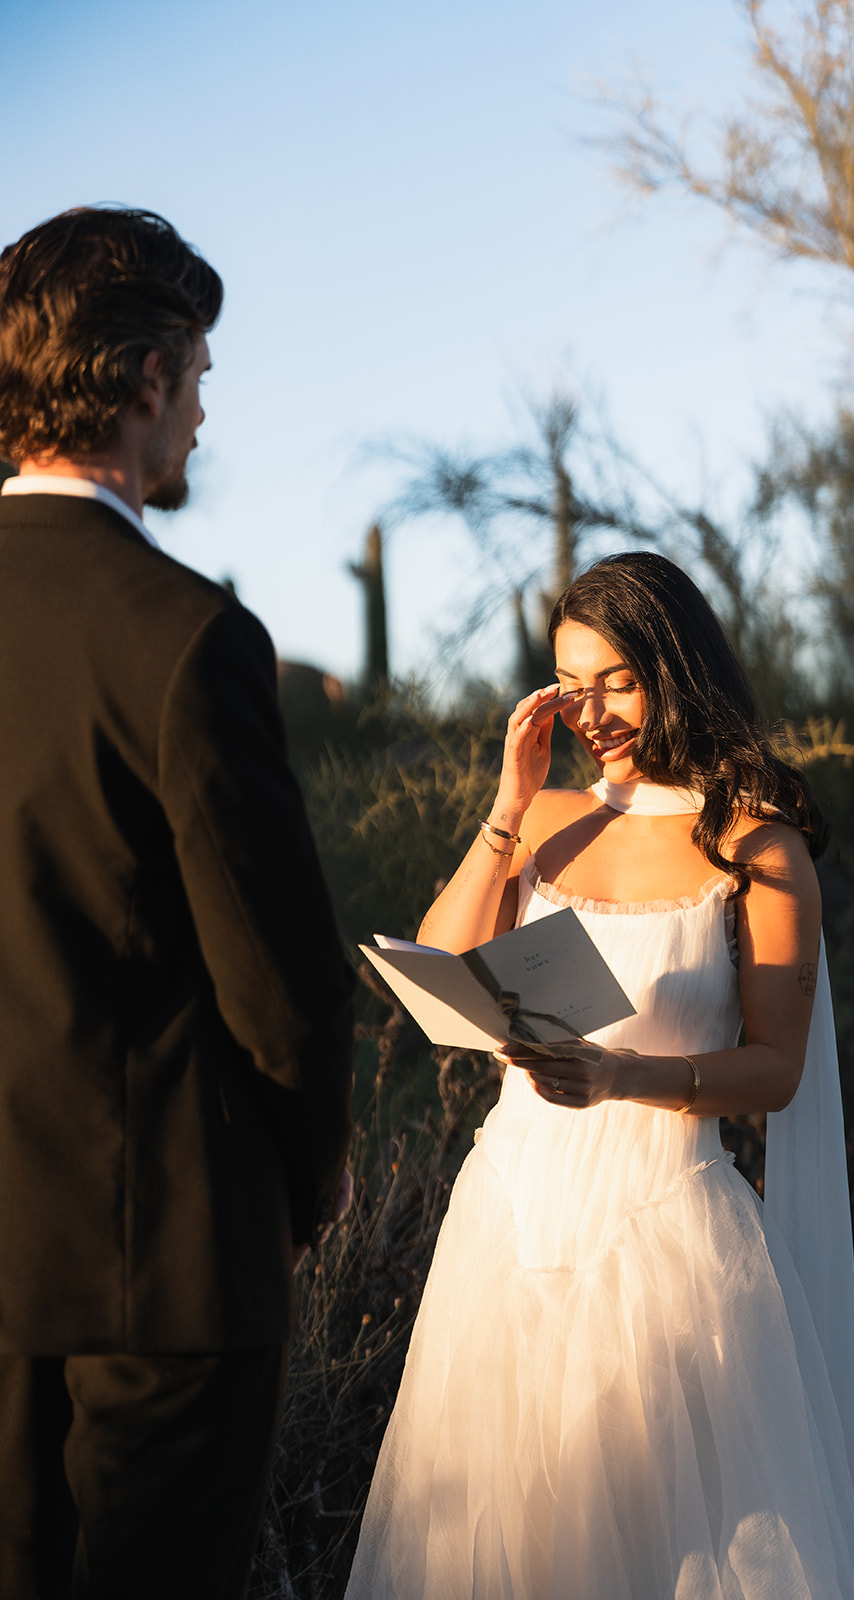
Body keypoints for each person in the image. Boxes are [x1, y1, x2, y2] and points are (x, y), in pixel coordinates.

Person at [348, 551, 854, 1599]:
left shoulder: (756, 846)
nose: (589, 710)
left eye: (616, 681)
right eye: (567, 682)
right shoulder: (546, 819)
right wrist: (506, 802)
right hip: (508, 1219)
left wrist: (619, 1075)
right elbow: (441, 957)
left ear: (672, 667)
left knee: (664, 1541)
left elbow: (773, 1070)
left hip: (661, 1234)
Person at [0, 207, 354, 1600]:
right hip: (164, 1266)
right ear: (144, 380)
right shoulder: (187, 635)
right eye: (199, 376)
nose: (202, 413)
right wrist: (307, 1168)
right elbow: (277, 975)